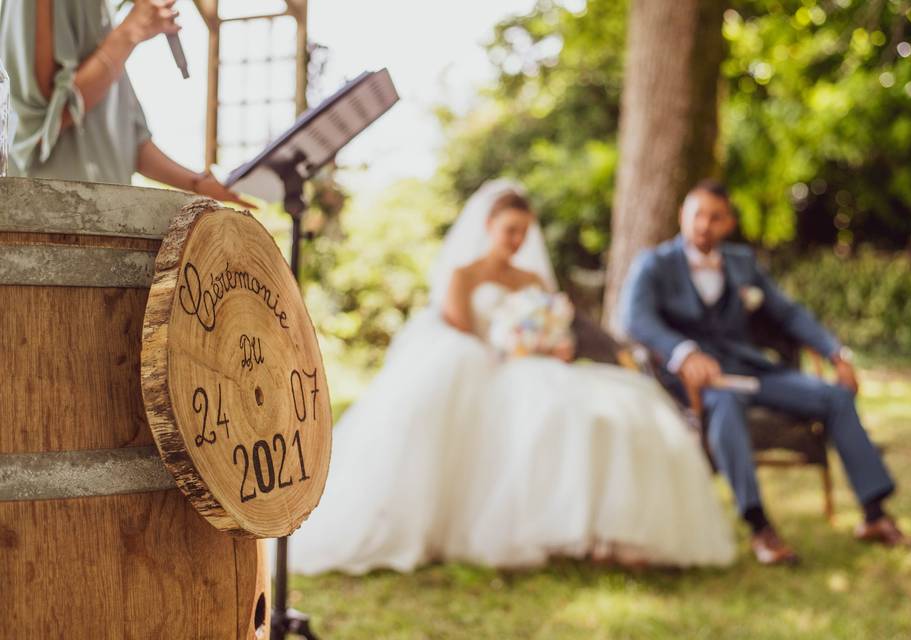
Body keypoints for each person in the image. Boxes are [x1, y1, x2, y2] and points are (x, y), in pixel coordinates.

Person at [288, 179, 736, 574]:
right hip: (488, 365)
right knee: (542, 410)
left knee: (623, 404)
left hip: (536, 363)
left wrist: (555, 346)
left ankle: (613, 533)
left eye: (524, 232)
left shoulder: (532, 278)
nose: (518, 240)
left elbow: (558, 333)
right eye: (510, 230)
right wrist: (515, 347)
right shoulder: (461, 276)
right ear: (489, 226)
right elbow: (466, 330)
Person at [619, 179, 911, 565]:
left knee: (834, 396)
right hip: (698, 385)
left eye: (715, 217)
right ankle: (759, 526)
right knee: (726, 404)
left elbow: (788, 312)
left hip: (752, 372)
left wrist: (836, 352)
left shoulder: (742, 263)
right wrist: (683, 353)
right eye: (697, 214)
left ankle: (874, 515)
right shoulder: (654, 263)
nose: (704, 225)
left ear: (729, 224)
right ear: (683, 215)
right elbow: (635, 318)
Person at [0, 0, 250, 205]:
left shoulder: (104, 11)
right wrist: (128, 34)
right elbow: (37, 124)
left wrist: (199, 184)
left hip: (111, 220)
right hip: (50, 222)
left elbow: (131, 143)